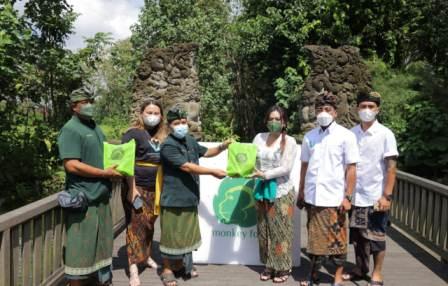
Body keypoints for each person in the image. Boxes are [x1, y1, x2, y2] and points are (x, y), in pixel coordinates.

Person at [57, 87, 122, 286]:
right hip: (84, 198)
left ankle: (100, 280)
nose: (89, 105)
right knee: (80, 248)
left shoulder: (94, 126)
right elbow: (71, 164)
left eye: (90, 101)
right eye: (84, 102)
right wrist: (105, 173)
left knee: (101, 245)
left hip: (101, 196)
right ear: (74, 107)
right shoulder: (70, 129)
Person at [158, 106, 230, 286]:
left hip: (189, 196)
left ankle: (180, 265)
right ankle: (167, 270)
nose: (181, 125)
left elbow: (206, 152)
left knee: (186, 235)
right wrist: (212, 172)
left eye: (183, 122)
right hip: (173, 199)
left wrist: (222, 146)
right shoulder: (167, 145)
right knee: (171, 236)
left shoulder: (189, 140)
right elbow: (186, 167)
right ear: (169, 126)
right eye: (177, 123)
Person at [297, 91, 360, 286]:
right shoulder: (309, 136)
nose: (323, 113)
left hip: (335, 198)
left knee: (338, 240)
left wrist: (348, 197)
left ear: (335, 112)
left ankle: (338, 277)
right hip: (313, 197)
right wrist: (301, 191)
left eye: (327, 109)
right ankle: (313, 275)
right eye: (319, 110)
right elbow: (304, 166)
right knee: (314, 239)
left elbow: (351, 168)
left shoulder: (346, 136)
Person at [342, 91, 398, 286]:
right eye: (363, 106)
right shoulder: (350, 134)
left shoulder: (385, 134)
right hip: (356, 195)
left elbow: (391, 168)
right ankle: (360, 268)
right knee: (358, 236)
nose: (367, 110)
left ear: (377, 110)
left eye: (371, 107)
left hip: (375, 196)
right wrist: (346, 195)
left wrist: (387, 196)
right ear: (357, 109)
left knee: (376, 237)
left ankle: (377, 272)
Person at [121, 100, 168, 286]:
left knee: (149, 225)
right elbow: (126, 161)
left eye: (156, 113)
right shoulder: (132, 134)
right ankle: (133, 269)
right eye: (149, 112)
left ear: (161, 116)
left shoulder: (164, 135)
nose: (152, 116)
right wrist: (131, 189)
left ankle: (146, 256)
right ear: (141, 113)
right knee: (135, 226)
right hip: (137, 186)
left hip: (156, 187)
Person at [250, 105, 297, 283]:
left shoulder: (289, 141)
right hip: (260, 189)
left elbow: (286, 168)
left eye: (278, 119)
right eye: (271, 119)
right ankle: (269, 265)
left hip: (281, 191)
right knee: (264, 230)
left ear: (284, 122)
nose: (274, 122)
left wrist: (265, 174)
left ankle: (283, 267)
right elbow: (250, 158)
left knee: (281, 231)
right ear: (266, 120)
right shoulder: (259, 137)